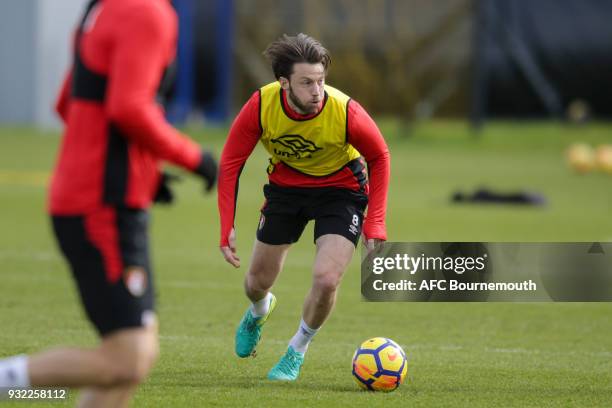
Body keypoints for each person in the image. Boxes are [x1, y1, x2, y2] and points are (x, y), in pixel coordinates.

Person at [0, 0, 216, 406]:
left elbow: (70, 102)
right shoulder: (148, 13)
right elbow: (128, 107)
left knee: (130, 362)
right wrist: (195, 159)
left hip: (92, 194)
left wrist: (144, 173)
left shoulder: (102, 7)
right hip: (101, 205)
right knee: (129, 357)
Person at [218, 33, 390, 380]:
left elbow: (380, 156)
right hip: (286, 190)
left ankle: (296, 349)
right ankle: (259, 309)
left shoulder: (344, 111)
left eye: (321, 81)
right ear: (284, 83)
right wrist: (226, 226)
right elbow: (230, 163)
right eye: (307, 83)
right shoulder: (261, 105)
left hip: (341, 191)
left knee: (327, 280)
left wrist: (376, 222)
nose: (317, 91)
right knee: (255, 282)